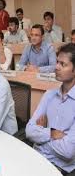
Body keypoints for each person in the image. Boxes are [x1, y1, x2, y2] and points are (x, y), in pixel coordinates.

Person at [26, 43, 75, 176]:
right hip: (37, 157)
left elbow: (68, 151)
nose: (56, 67)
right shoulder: (49, 94)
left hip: (60, 168)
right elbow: (29, 130)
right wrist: (52, 133)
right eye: (57, 62)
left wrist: (41, 137)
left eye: (63, 64)